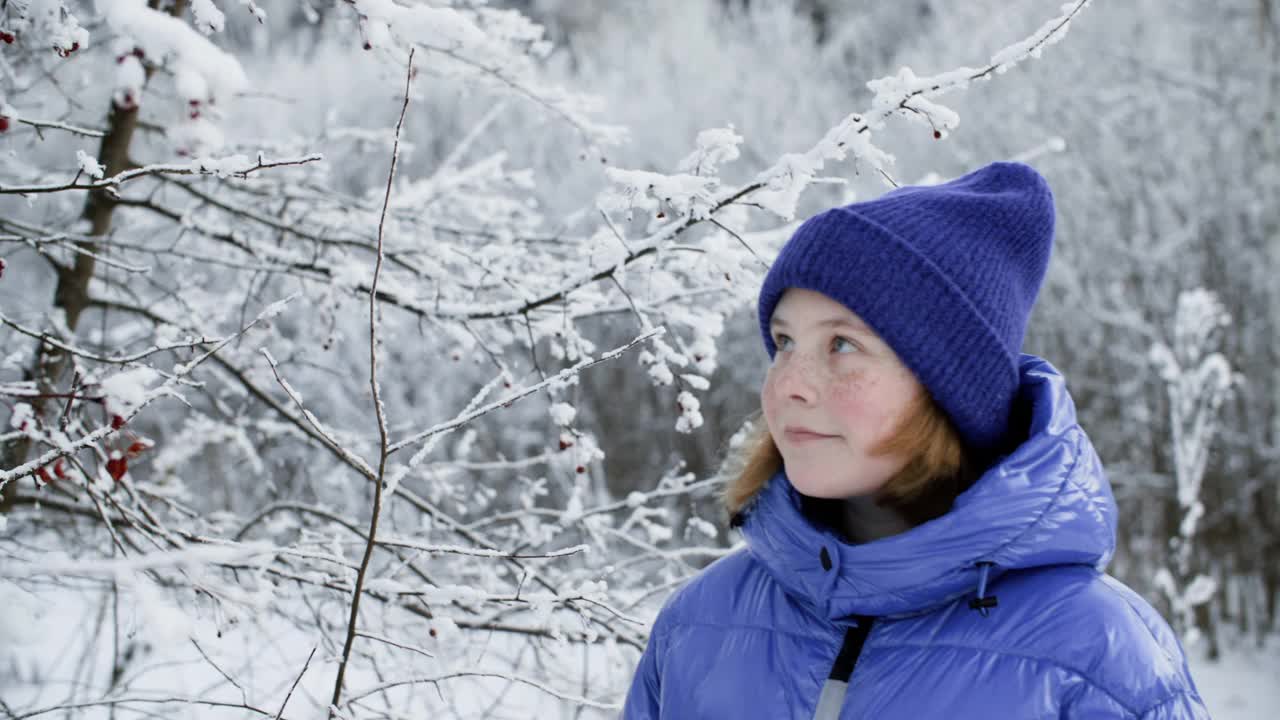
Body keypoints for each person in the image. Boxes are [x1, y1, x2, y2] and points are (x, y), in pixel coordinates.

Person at [621, 162, 1211, 719]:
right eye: (783, 342)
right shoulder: (700, 624)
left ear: (946, 387)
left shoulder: (1098, 658)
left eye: (842, 345)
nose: (789, 386)